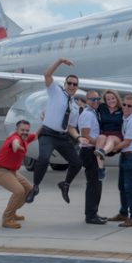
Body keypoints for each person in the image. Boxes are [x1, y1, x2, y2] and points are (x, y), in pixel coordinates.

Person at [27, 58, 83, 204]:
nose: (71, 86)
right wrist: (59, 61)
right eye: (69, 83)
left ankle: (65, 184)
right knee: (44, 159)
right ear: (65, 84)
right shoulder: (55, 91)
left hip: (62, 137)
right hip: (47, 134)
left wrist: (78, 138)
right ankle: (35, 188)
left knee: (77, 163)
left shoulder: (75, 107)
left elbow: (70, 127)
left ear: (77, 87)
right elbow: (47, 74)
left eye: (74, 84)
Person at [0, 120, 38, 229]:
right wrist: (16, 146)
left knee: (30, 190)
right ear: (17, 130)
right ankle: (7, 219)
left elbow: (36, 135)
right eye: (22, 130)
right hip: (0, 171)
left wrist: (47, 121)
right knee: (19, 191)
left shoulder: (25, 138)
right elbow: (14, 143)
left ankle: (12, 212)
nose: (25, 132)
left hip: (12, 171)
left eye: (27, 130)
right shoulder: (14, 138)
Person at [113, 94, 132, 227]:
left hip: (131, 155)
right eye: (124, 105)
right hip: (125, 155)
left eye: (129, 106)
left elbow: (126, 142)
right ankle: (124, 212)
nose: (125, 107)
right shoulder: (124, 118)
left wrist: (110, 149)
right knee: (121, 186)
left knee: (129, 187)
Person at [78, 91, 107, 225]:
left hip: (93, 150)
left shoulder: (93, 113)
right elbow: (85, 135)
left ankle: (93, 212)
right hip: (89, 151)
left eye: (97, 99)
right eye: (92, 99)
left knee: (97, 183)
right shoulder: (87, 114)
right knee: (93, 184)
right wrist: (101, 144)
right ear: (87, 100)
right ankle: (90, 215)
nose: (95, 101)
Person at [93, 89, 125, 179]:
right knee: (100, 137)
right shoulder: (102, 107)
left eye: (113, 98)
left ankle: (103, 152)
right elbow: (91, 105)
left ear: (117, 98)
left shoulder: (122, 109)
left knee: (110, 138)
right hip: (104, 133)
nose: (111, 101)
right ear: (105, 101)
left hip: (117, 135)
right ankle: (101, 168)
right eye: (108, 99)